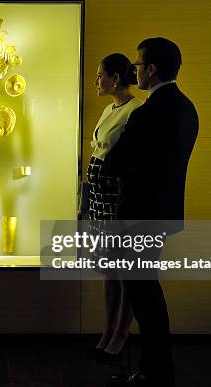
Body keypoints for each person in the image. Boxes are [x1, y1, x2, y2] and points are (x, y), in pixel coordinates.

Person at [106, 38, 199, 386]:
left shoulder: (147, 112)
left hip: (138, 213)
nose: (135, 70)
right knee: (148, 294)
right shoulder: (187, 108)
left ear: (152, 69)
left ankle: (154, 372)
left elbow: (116, 163)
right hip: (164, 211)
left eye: (138, 64)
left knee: (145, 297)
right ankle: (156, 369)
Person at [81, 53, 143, 359]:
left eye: (99, 75)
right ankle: (108, 329)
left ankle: (121, 332)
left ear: (115, 78)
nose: (96, 81)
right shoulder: (109, 109)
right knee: (108, 269)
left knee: (124, 269)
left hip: (117, 198)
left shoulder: (136, 110)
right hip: (99, 198)